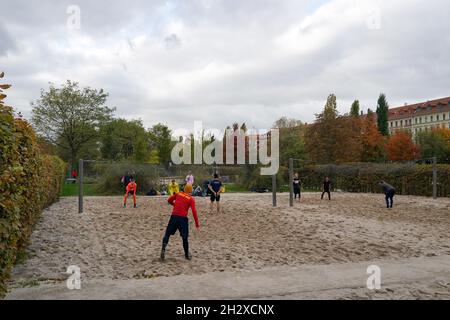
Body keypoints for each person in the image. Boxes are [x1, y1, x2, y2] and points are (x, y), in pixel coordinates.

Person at [161, 184, 199, 261]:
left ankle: (163, 249)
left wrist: (174, 205)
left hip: (174, 217)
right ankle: (186, 254)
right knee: (184, 238)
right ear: (190, 191)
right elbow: (194, 211)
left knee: (167, 234)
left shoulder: (178, 194)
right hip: (183, 219)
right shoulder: (191, 199)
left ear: (184, 189)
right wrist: (197, 224)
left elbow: (169, 200)